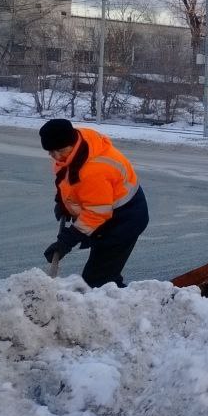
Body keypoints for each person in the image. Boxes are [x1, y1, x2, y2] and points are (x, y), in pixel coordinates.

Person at [39, 118, 148, 288]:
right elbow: (69, 180)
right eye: (51, 152)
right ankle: (118, 294)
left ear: (72, 142)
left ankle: (129, 306)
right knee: (105, 275)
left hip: (124, 221)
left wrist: (67, 241)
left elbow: (96, 212)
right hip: (109, 216)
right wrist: (63, 202)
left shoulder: (93, 169)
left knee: (96, 281)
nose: (56, 157)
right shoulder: (76, 148)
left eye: (60, 150)